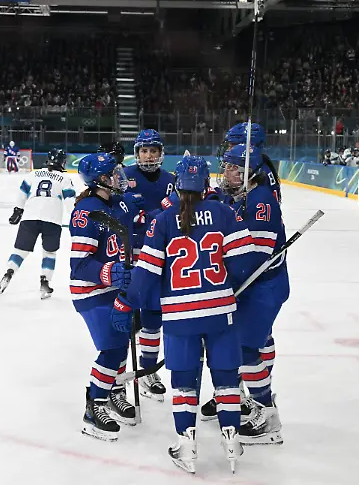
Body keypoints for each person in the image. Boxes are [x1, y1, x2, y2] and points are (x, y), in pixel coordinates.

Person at [111, 155, 245, 473]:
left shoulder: (163, 220)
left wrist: (126, 301)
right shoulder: (225, 212)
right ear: (207, 182)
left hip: (179, 317)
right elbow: (243, 264)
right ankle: (232, 438)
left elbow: (146, 274)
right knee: (226, 377)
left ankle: (187, 445)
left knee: (184, 381)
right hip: (221, 313)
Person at [217, 144, 290, 444]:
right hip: (255, 287)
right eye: (229, 167)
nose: (228, 173)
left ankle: (267, 414)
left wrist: (223, 283)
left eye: (235, 168)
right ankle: (256, 402)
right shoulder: (244, 195)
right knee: (248, 347)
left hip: (263, 287)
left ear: (251, 173)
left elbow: (254, 258)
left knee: (247, 350)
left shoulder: (261, 201)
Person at [71, 152, 136, 441]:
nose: (118, 177)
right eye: (112, 174)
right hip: (91, 291)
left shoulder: (118, 202)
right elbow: (79, 265)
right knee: (112, 347)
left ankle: (114, 390)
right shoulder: (86, 212)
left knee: (121, 343)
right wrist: (110, 272)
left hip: (114, 288)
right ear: (99, 180)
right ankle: (93, 407)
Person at [123, 130, 176, 401]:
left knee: (153, 314)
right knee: (125, 318)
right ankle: (115, 375)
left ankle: (147, 370)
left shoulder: (172, 180)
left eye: (153, 150)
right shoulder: (123, 175)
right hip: (132, 255)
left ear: (161, 153)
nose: (148, 155)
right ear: (137, 153)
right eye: (144, 150)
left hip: (164, 255)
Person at [0, 149, 75, 299]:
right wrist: (76, 218)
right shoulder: (64, 178)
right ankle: (45, 281)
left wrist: (18, 211)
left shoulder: (33, 175)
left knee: (20, 250)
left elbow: (22, 193)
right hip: (52, 220)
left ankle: (9, 272)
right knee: (49, 252)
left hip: (30, 217)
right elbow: (70, 201)